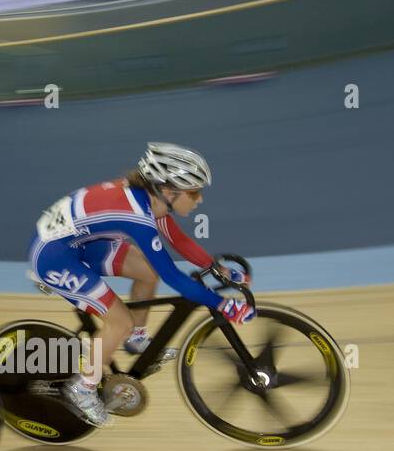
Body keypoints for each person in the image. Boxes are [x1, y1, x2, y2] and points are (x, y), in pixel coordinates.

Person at [27, 143, 254, 427]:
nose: (200, 199)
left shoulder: (151, 200)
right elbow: (174, 277)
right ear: (169, 191)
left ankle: (137, 340)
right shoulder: (138, 216)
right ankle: (81, 388)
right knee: (118, 322)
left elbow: (178, 240)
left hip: (77, 242)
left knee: (147, 273)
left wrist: (215, 268)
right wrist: (222, 304)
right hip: (54, 257)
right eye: (194, 192)